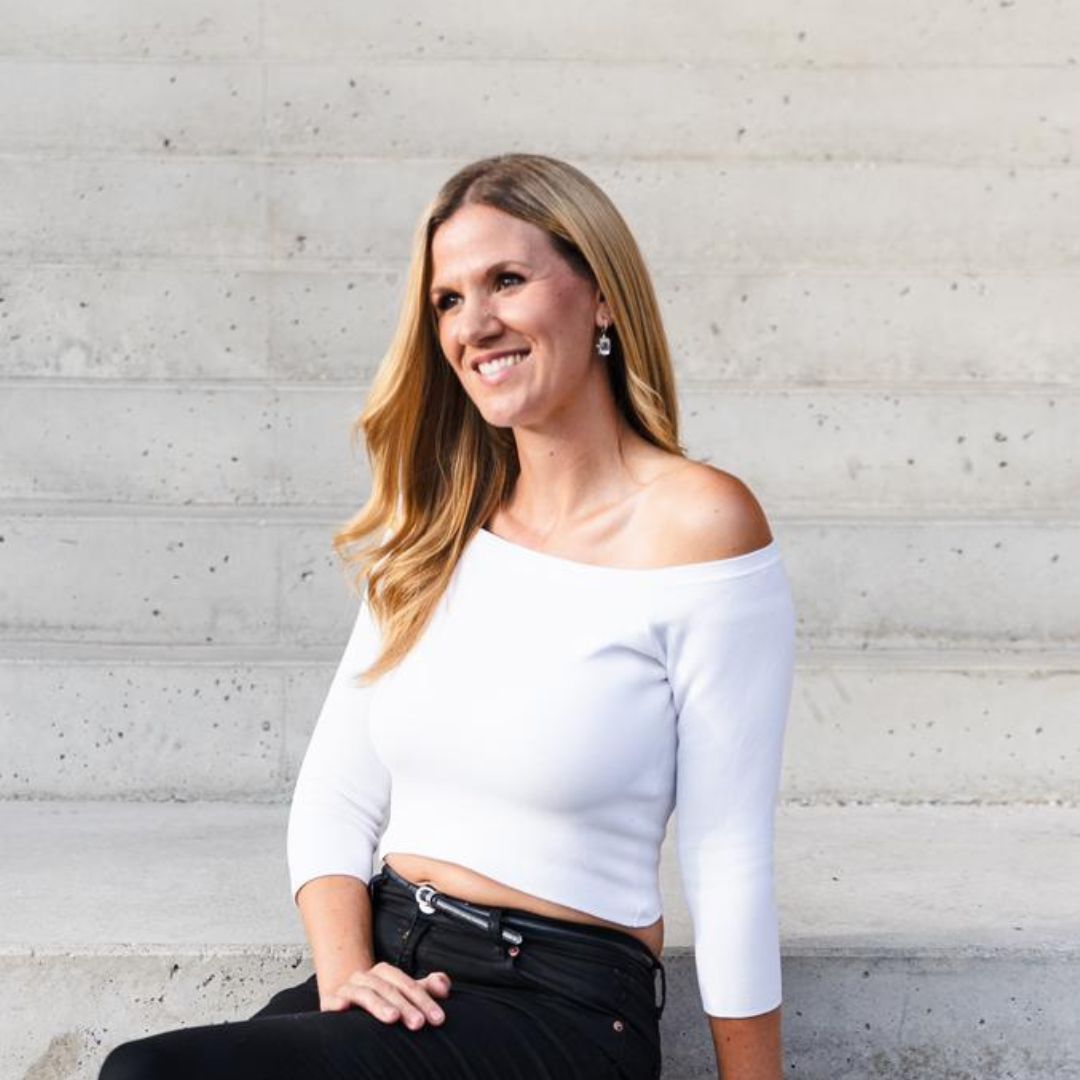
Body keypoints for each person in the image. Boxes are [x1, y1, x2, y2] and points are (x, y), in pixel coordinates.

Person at [98, 152, 796, 1080]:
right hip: (394, 970)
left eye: (507, 280)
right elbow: (337, 795)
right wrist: (348, 975)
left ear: (603, 297)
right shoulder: (436, 526)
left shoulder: (699, 525)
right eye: (449, 300)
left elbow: (729, 852)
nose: (476, 324)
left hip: (559, 1005)